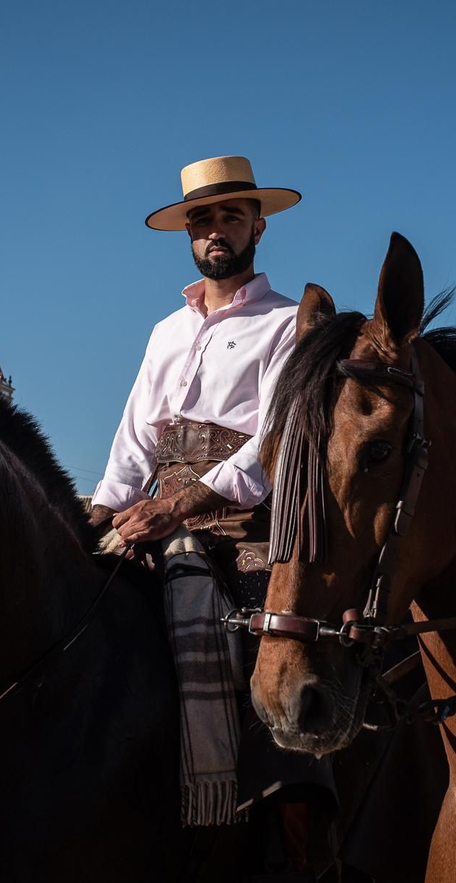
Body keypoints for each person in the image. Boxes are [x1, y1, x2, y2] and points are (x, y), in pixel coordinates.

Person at [88, 155, 328, 873]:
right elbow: (135, 439)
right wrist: (99, 516)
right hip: (157, 514)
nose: (215, 231)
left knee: (281, 652)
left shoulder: (290, 322)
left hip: (244, 526)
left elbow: (278, 438)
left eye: (230, 216)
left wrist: (184, 504)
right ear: (189, 234)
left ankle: (293, 838)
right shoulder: (165, 329)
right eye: (202, 219)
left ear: (258, 225)